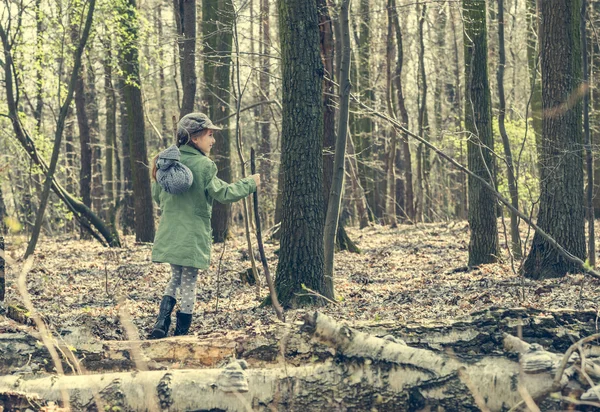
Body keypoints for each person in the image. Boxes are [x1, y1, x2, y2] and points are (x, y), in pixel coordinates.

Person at [149, 112, 260, 338]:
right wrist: (251, 183)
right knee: (189, 281)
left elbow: (157, 196)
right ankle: (182, 333)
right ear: (195, 138)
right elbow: (225, 193)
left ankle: (161, 323)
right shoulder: (204, 166)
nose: (213, 140)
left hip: (170, 232)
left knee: (176, 278)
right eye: (210, 135)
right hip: (192, 235)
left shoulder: (167, 162)